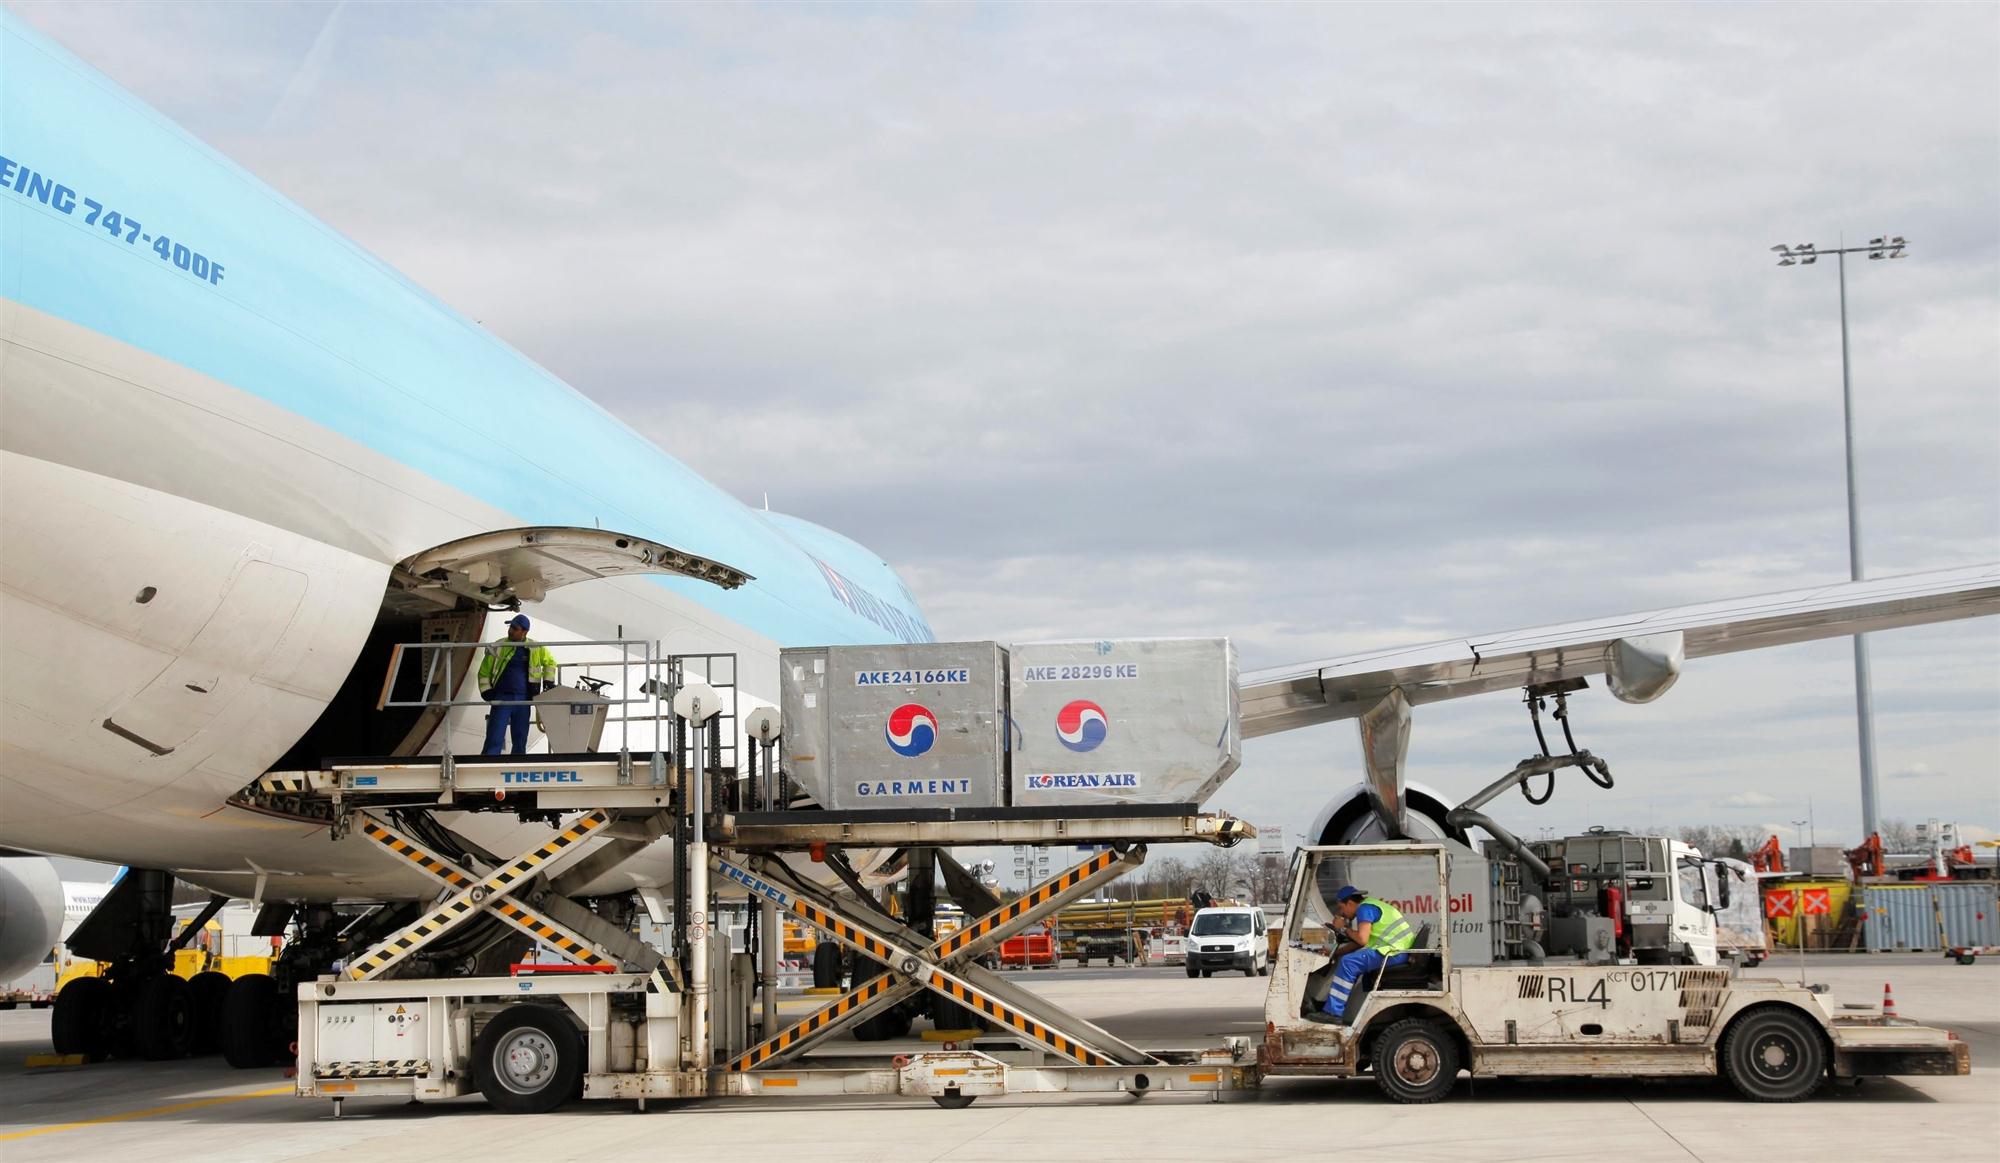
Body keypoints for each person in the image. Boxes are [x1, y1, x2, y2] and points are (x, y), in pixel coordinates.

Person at [1306, 885, 1416, 1025]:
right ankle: (1333, 1006)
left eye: (1341, 907)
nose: (1342, 912)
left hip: (1393, 952)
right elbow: (1361, 943)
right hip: (1397, 951)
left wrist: (1343, 928)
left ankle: (1333, 1012)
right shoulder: (1370, 906)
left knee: (1348, 963)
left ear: (1350, 903)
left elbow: (1361, 939)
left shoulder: (1364, 909)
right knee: (1347, 959)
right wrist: (1335, 953)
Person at [478, 613, 557, 755]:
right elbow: (484, 672)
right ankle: (489, 765)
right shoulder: (498, 646)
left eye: (515, 628)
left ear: (524, 632)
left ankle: (518, 766)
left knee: (520, 739)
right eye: (510, 627)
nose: (510, 630)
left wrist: (548, 680)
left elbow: (550, 662)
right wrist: (487, 692)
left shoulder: (535, 648)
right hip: (502, 698)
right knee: (494, 738)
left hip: (523, 700)